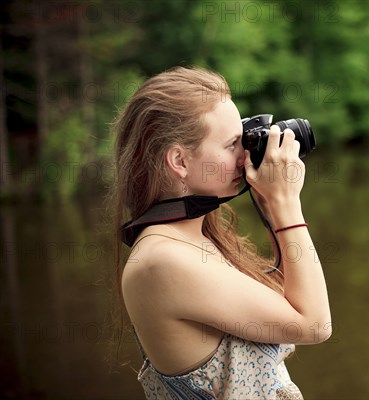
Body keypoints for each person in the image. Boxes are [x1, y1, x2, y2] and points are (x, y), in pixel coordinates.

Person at [112, 66, 331, 399]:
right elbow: (314, 325)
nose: (246, 154)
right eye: (232, 144)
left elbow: (290, 300)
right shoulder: (163, 261)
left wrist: (272, 205)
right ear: (179, 161)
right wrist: (287, 202)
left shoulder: (193, 237)